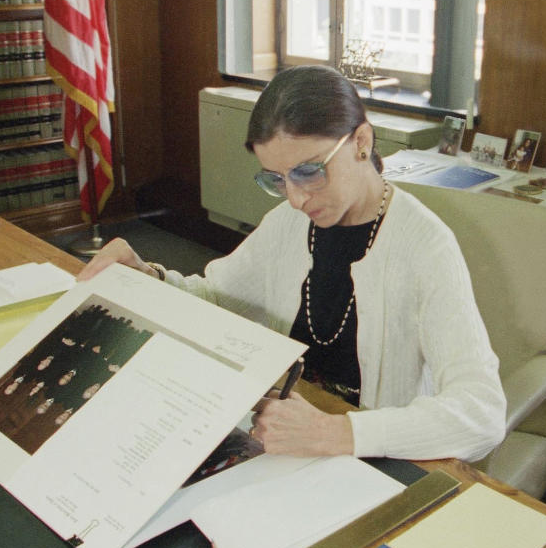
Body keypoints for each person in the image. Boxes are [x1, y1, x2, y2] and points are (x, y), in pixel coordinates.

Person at [78, 66, 506, 463]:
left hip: (370, 454)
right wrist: (147, 277)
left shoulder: (425, 246)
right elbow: (218, 296)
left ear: (361, 142)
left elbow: (481, 412)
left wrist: (336, 433)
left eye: (308, 171)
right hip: (286, 431)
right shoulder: (288, 221)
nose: (297, 199)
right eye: (276, 179)